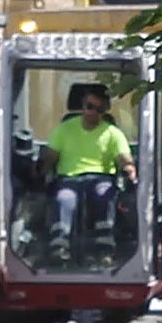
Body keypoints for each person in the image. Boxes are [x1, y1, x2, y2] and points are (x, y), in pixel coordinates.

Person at [36, 86, 137, 262]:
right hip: (69, 178)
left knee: (102, 194)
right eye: (90, 106)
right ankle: (59, 246)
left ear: (105, 110)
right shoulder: (64, 130)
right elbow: (50, 156)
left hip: (101, 178)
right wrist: (39, 170)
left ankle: (104, 247)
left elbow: (124, 158)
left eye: (99, 109)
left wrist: (129, 169)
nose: (93, 112)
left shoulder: (113, 133)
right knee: (65, 198)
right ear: (83, 106)